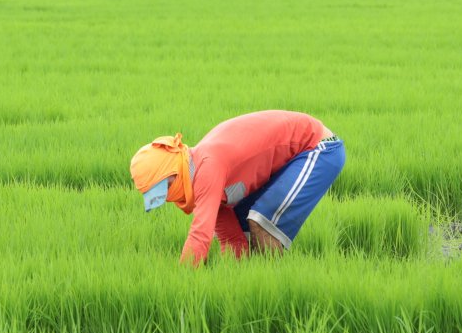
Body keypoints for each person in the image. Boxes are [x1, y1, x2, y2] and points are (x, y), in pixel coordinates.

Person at [130, 110, 345, 266]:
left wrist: (179, 284)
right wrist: (231, 275)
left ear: (173, 173)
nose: (168, 197)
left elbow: (199, 237)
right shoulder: (200, 181)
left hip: (319, 148)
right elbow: (232, 241)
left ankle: (274, 288)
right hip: (293, 157)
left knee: (261, 220)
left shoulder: (207, 167)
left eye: (165, 189)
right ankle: (256, 283)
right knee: (244, 227)